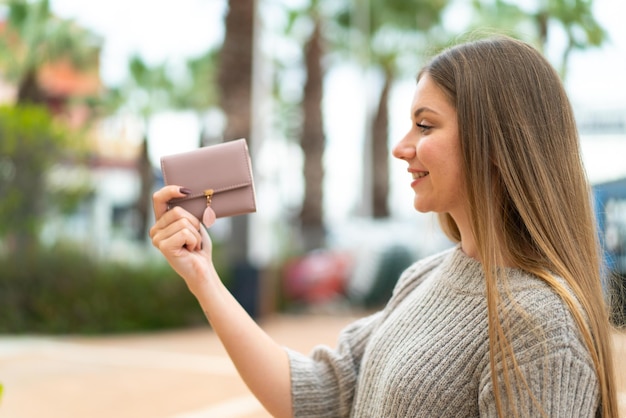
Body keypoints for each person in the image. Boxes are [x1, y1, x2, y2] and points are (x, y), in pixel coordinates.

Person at [150, 34, 619, 417]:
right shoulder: (424, 278)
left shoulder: (541, 328)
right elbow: (320, 396)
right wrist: (203, 277)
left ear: (495, 141)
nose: (401, 146)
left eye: (425, 125)